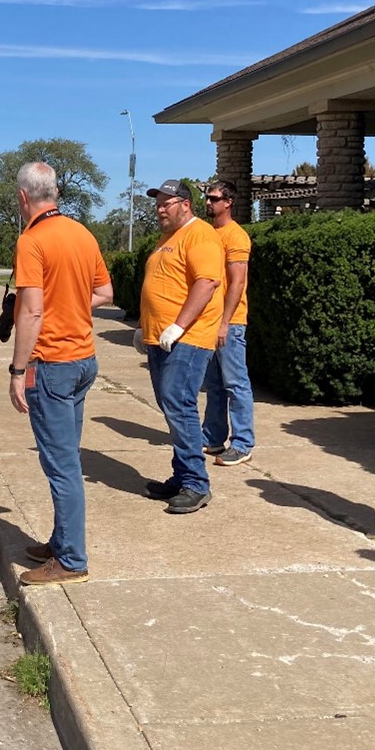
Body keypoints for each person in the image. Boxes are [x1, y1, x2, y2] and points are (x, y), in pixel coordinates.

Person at [8, 162, 114, 587]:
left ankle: (71, 559)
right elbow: (105, 292)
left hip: (52, 365)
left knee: (61, 464)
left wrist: (18, 370)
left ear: (23, 197)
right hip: (84, 360)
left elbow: (31, 310)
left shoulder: (32, 241)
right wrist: (70, 306)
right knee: (67, 454)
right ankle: (61, 539)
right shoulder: (82, 234)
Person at [137, 179, 225, 514]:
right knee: (171, 405)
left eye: (166, 203)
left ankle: (196, 483)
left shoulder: (200, 235)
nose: (160, 209)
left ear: (185, 204)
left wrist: (178, 325)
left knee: (179, 403)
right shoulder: (166, 239)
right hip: (160, 339)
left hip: (188, 337)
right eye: (157, 203)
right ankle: (181, 474)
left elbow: (206, 283)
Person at [201, 180, 256, 467]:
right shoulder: (210, 234)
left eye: (214, 198)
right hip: (210, 322)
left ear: (228, 202)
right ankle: (212, 436)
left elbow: (237, 283)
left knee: (236, 383)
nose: (208, 203)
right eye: (207, 198)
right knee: (214, 384)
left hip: (230, 322)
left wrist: (224, 323)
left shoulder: (236, 236)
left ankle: (243, 442)